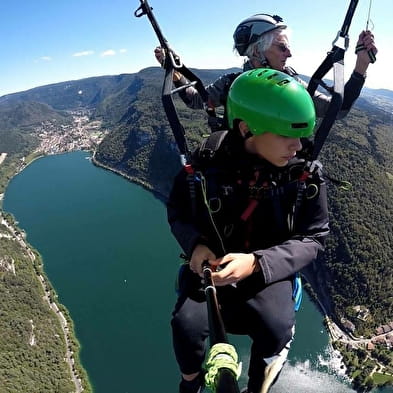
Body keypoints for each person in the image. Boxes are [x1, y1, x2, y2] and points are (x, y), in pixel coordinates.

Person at [167, 68, 330, 393]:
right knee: (185, 326)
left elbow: (314, 238)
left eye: (301, 136)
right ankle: (191, 383)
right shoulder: (208, 160)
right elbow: (178, 211)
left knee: (276, 327)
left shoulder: (304, 176)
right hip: (212, 265)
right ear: (246, 129)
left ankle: (257, 387)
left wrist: (258, 263)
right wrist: (196, 244)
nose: (298, 146)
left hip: (266, 268)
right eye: (287, 136)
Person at [154, 13, 378, 125]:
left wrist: (361, 65)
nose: (289, 54)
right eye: (282, 47)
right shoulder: (232, 84)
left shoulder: (291, 83)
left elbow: (337, 110)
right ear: (257, 51)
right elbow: (196, 100)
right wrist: (174, 71)